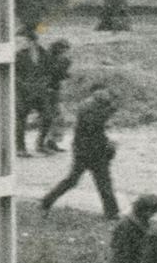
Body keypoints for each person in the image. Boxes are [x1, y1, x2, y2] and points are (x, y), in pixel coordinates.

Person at [38, 87, 119, 218]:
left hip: (86, 150)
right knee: (101, 182)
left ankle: (47, 200)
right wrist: (108, 145)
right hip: (90, 151)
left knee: (76, 181)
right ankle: (112, 212)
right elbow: (94, 128)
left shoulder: (90, 105)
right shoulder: (93, 109)